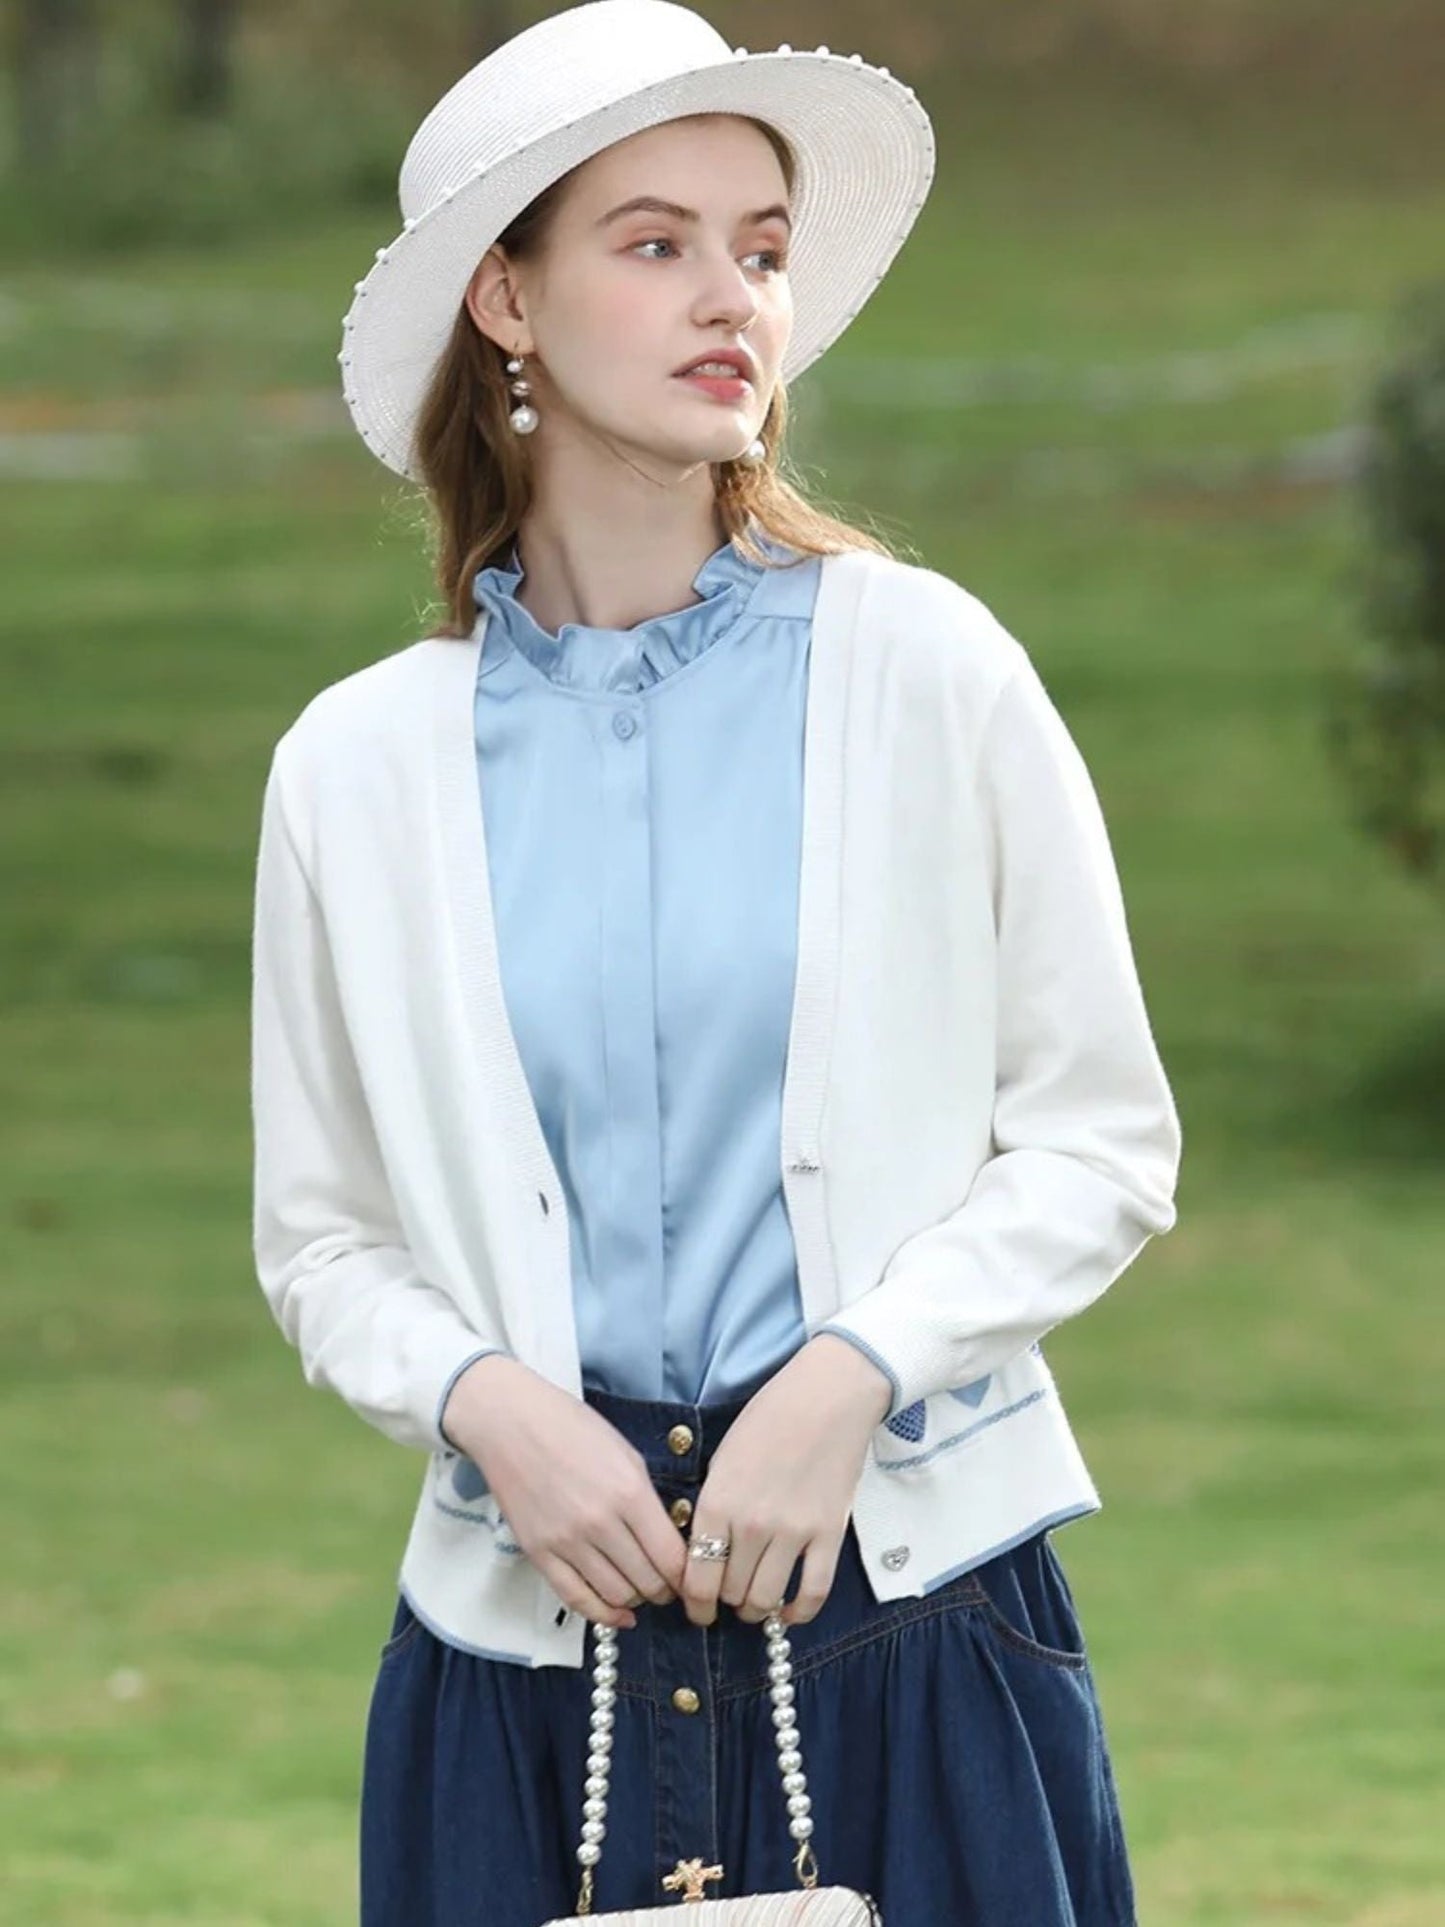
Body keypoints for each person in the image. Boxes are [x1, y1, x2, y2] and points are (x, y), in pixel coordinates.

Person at [248, 4, 1182, 1922]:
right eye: (653, 242)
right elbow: (324, 1242)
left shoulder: (926, 672)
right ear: (504, 301)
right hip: (520, 1653)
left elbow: (1099, 1144)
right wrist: (495, 1411)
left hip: (912, 1633)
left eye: (760, 248)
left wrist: (853, 1376)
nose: (731, 296)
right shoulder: (354, 767)